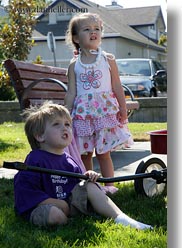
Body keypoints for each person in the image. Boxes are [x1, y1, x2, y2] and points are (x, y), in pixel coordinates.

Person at [14, 102, 152, 230]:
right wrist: (54, 202)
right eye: (56, 124)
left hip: (67, 204)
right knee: (55, 216)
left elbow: (78, 186)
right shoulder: (35, 159)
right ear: (40, 136)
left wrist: (87, 178)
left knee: (90, 186)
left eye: (68, 124)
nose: (65, 128)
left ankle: (120, 217)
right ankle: (67, 220)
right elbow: (25, 190)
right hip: (41, 205)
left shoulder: (69, 160)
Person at [65, 12, 133, 194]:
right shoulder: (74, 65)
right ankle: (90, 185)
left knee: (104, 152)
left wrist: (123, 108)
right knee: (85, 152)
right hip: (83, 115)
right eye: (86, 29)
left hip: (104, 112)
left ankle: (109, 185)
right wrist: (66, 114)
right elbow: (71, 92)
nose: (93, 32)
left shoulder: (108, 59)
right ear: (76, 38)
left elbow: (117, 86)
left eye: (96, 29)